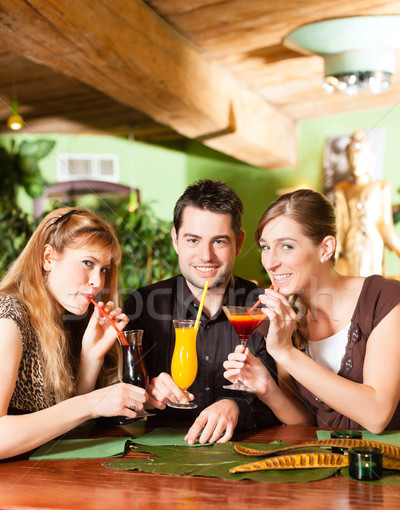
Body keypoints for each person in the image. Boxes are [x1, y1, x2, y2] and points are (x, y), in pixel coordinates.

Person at [0, 206, 148, 510]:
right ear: (48, 258)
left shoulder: (57, 319)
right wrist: (93, 402)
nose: (97, 281)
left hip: (25, 501)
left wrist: (90, 358)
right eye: (87, 263)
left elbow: (59, 431)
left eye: (104, 269)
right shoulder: (8, 317)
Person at [223, 188, 400, 432]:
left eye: (286, 246)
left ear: (325, 249)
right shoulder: (282, 318)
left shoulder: (384, 299)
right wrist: (267, 388)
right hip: (322, 462)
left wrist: (285, 352)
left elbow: (376, 415)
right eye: (265, 247)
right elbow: (305, 421)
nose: (271, 262)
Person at [124, 179, 278, 445]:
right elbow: (120, 404)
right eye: (193, 240)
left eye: (219, 241)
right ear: (175, 240)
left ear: (239, 243)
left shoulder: (263, 307)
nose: (205, 256)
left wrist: (236, 406)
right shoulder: (143, 305)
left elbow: (282, 402)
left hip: (247, 456)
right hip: (161, 461)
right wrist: (146, 396)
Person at [334, 129, 400, 276]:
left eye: (358, 157)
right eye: (351, 158)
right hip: (349, 249)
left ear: (370, 158)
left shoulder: (381, 187)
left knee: (371, 290)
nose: (354, 162)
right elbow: (340, 225)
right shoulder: (342, 189)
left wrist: (397, 249)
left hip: (372, 249)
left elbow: (385, 226)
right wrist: (331, 254)